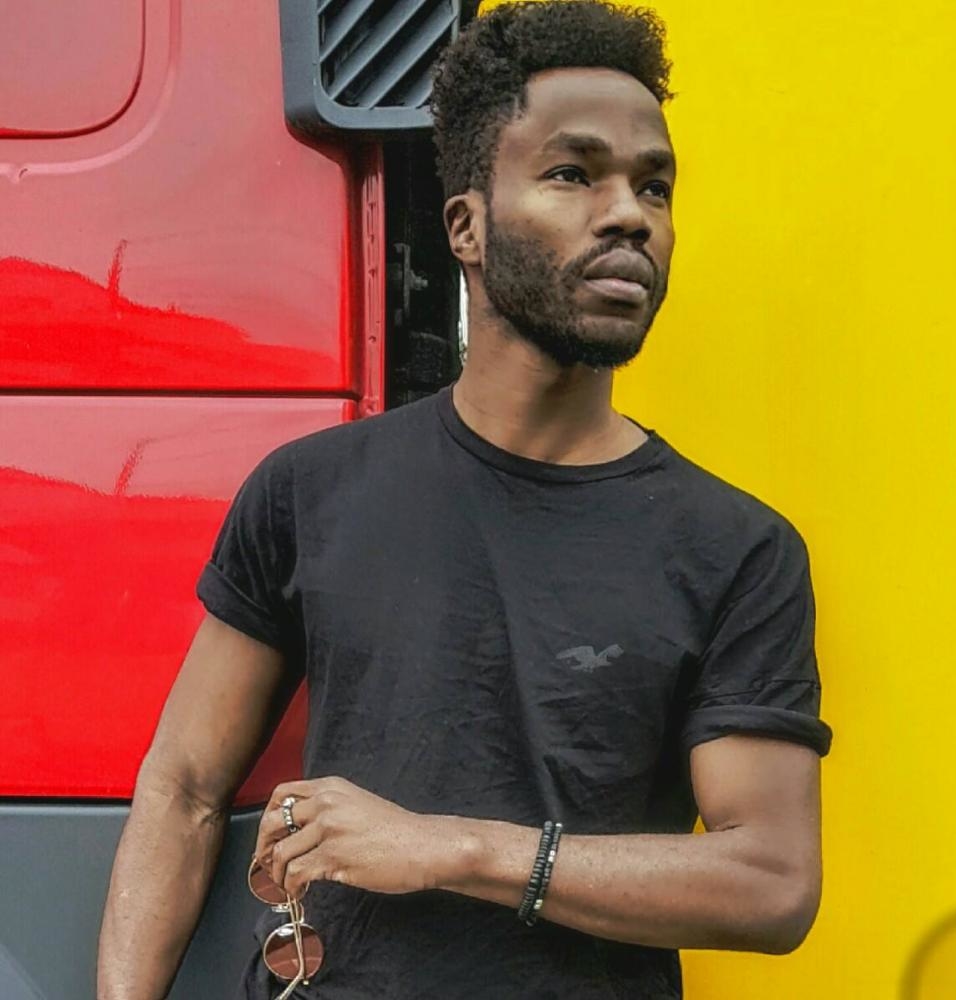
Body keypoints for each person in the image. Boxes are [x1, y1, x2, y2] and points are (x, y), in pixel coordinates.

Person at [97, 2, 832, 998]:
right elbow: (182, 787)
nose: (630, 214)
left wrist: (452, 847)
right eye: (573, 173)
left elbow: (772, 882)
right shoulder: (310, 491)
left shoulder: (735, 549)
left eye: (653, 186)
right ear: (466, 226)